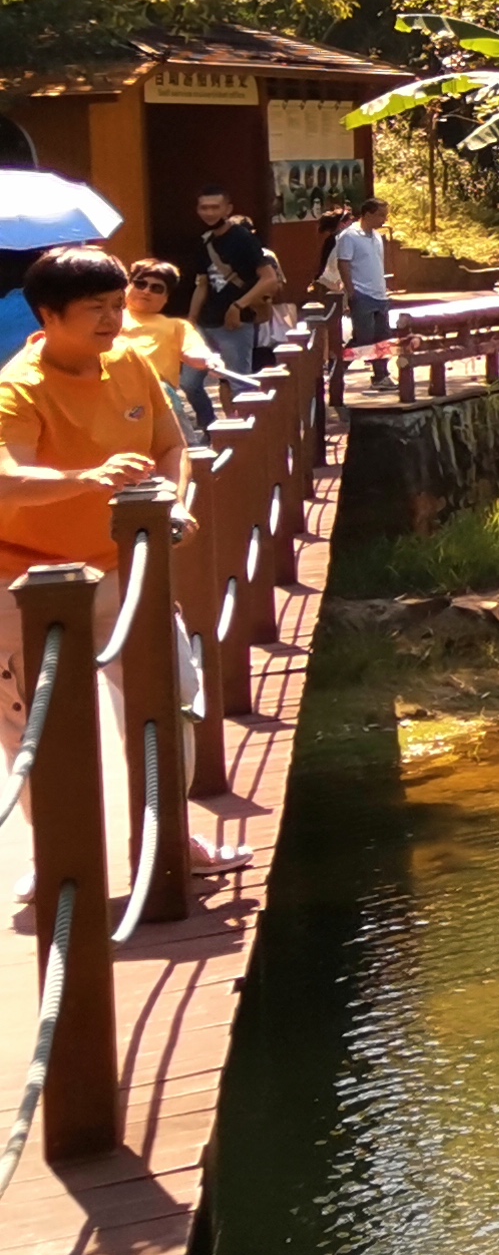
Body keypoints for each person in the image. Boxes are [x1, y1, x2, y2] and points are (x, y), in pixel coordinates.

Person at [0, 247, 217, 911]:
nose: (112, 319)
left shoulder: (130, 360)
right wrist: (81, 481)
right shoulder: (19, 387)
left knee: (172, 693)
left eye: (117, 305)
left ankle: (170, 838)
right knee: (33, 727)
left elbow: (172, 444)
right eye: (95, 309)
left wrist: (175, 500)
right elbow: (5, 477)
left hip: (125, 563)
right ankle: (54, 856)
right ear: (48, 315)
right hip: (26, 580)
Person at [191, 191, 279, 375]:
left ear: (227, 209)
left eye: (215, 207)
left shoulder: (243, 238)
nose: (209, 213)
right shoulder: (205, 240)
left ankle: (242, 406)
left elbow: (269, 278)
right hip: (205, 322)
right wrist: (191, 320)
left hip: (235, 323)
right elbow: (203, 284)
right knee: (189, 383)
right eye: (204, 208)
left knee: (239, 381)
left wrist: (238, 306)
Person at [124, 258, 217, 429]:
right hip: (113, 390)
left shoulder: (177, 326)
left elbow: (195, 351)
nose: (146, 291)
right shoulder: (110, 319)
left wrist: (209, 360)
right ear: (128, 286)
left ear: (166, 298)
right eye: (140, 284)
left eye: (156, 288)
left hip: (159, 393)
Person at [320, 197, 396, 384]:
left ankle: (381, 375)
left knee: (382, 336)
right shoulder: (350, 236)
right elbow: (343, 263)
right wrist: (350, 290)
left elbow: (376, 263)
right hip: (361, 292)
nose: (383, 220)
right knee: (363, 338)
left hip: (379, 293)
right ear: (368, 214)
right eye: (380, 215)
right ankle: (336, 369)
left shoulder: (377, 236)